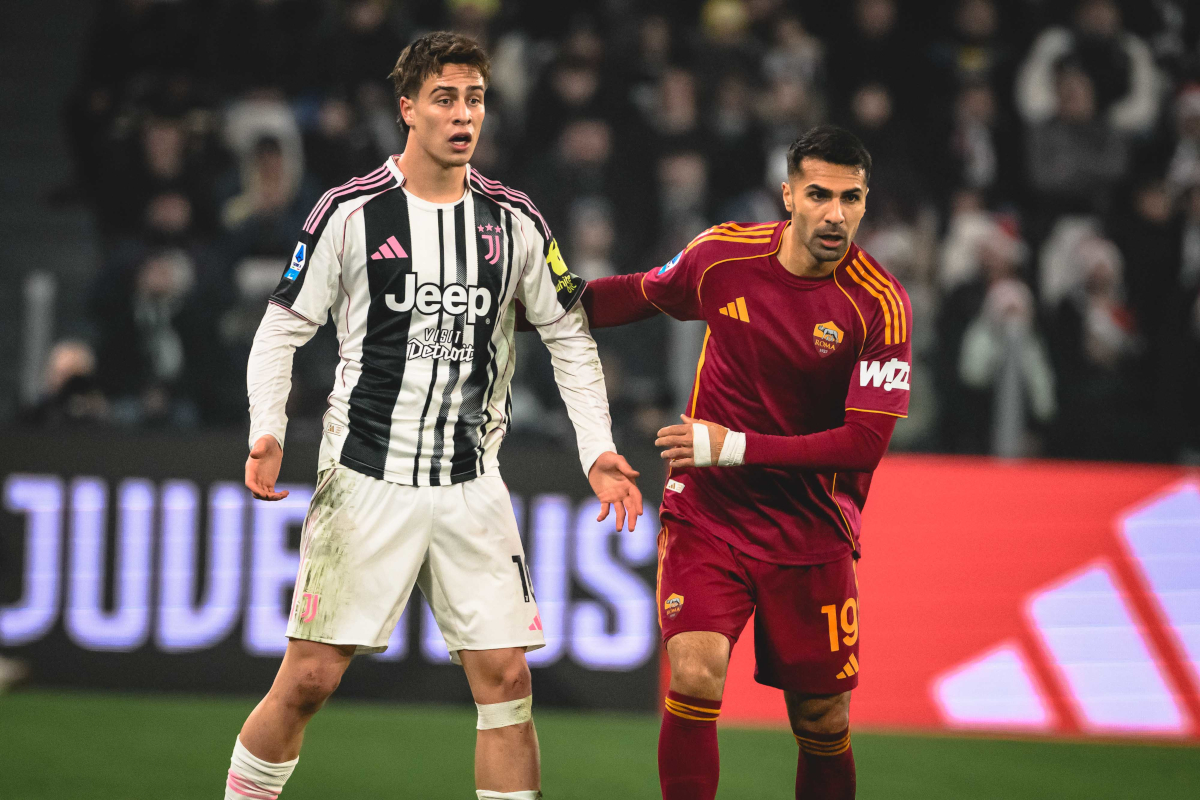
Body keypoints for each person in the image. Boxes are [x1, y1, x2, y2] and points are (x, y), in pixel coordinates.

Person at [226, 32, 642, 800]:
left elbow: (568, 334)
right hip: (365, 479)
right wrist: (268, 429)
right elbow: (281, 327)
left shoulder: (513, 220)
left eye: (475, 98)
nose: (462, 114)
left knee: (507, 678)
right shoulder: (349, 212)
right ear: (408, 109)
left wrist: (598, 450)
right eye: (445, 98)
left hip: (469, 484)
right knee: (310, 678)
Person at [533, 126, 910, 799]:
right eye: (818, 194)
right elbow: (640, 294)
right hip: (710, 513)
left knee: (822, 719)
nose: (835, 213)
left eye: (850, 198)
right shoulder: (722, 256)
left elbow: (863, 444)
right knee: (695, 672)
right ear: (788, 195)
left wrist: (732, 445)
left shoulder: (879, 305)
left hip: (811, 532)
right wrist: (539, 303)